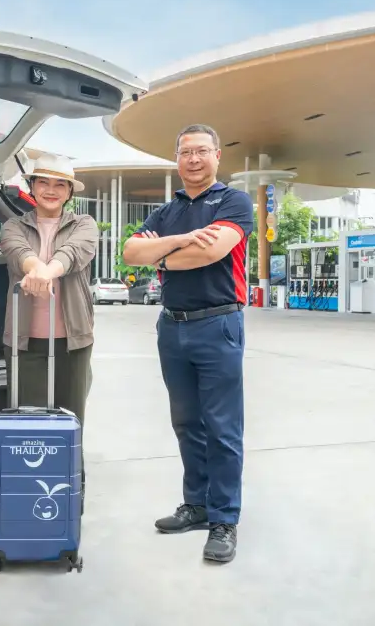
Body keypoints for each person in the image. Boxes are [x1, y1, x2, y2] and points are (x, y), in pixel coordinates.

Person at [121, 124, 254, 564]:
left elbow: (211, 252)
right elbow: (130, 252)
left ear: (217, 155)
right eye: (185, 152)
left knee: (222, 427)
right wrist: (178, 242)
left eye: (201, 151)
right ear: (176, 158)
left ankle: (224, 519)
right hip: (172, 327)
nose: (193, 160)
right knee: (186, 423)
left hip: (219, 324)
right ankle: (196, 505)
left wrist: (158, 255)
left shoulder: (233, 202)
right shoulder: (167, 212)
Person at [0, 152, 98, 424]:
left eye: (60, 184)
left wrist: (46, 272)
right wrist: (36, 268)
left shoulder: (84, 224)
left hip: (73, 342)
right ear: (32, 187)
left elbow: (73, 253)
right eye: (43, 182)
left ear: (69, 192)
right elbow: (18, 252)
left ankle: (71, 457)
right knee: (27, 421)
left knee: (70, 419)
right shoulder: (13, 226)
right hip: (24, 342)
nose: (51, 190)